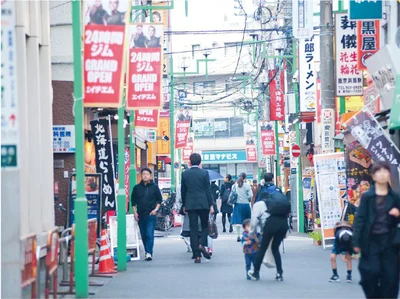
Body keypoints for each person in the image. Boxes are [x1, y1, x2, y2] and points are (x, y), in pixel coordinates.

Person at [353, 161, 400, 299]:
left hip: (390, 242)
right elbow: (360, 219)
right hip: (371, 241)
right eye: (379, 171)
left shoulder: (395, 197)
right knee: (370, 274)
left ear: (389, 175)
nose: (382, 174)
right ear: (373, 176)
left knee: (391, 277)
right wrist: (356, 242)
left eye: (385, 171)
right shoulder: (367, 197)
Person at [248, 173, 289, 282]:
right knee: (275, 248)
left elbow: (254, 221)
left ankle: (255, 272)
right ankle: (280, 273)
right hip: (283, 223)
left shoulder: (259, 204)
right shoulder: (276, 199)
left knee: (263, 247)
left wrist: (251, 233)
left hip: (271, 224)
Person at [181, 153, 214, 264]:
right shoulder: (204, 173)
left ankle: (197, 256)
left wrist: (184, 205)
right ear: (200, 162)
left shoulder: (185, 174)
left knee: (193, 228)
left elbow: (183, 191)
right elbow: (208, 190)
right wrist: (211, 205)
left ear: (190, 162)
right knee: (205, 225)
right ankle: (201, 243)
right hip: (203, 203)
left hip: (190, 204)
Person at [131, 168, 162, 261]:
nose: (145, 176)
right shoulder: (136, 188)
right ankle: (147, 251)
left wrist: (155, 210)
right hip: (140, 214)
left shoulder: (154, 187)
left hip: (151, 214)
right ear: (141, 175)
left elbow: (159, 200)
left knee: (149, 233)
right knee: (143, 234)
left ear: (150, 176)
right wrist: (135, 212)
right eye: (143, 174)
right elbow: (133, 201)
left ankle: (149, 253)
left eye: (147, 174)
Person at [231, 173, 253, 242]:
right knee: (247, 221)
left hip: (237, 205)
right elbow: (250, 195)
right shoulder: (247, 186)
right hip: (246, 205)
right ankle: (246, 235)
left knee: (238, 221)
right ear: (245, 178)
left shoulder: (234, 186)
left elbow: (232, 194)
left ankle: (238, 236)